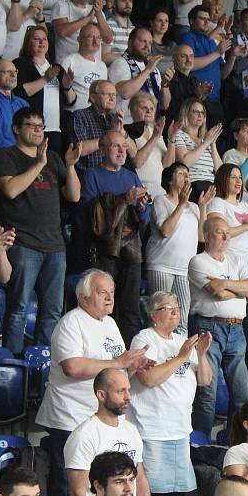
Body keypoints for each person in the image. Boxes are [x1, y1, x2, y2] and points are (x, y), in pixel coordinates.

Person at [36, 269, 153, 496]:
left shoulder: (109, 323)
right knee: (71, 489)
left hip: (98, 418)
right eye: (102, 293)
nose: (110, 297)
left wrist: (131, 368)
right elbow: (71, 366)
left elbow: (113, 373)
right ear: (84, 298)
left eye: (111, 292)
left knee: (100, 487)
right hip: (70, 417)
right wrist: (119, 361)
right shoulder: (72, 322)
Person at [0, 109, 78, 353]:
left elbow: (73, 195)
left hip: (55, 245)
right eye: (30, 125)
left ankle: (42, 367)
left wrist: (70, 166)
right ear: (15, 129)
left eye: (40, 126)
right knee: (18, 306)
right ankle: (15, 363)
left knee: (52, 311)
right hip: (23, 242)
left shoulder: (53, 157)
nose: (36, 130)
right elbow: (10, 189)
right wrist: (38, 164)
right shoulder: (6, 155)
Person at [127, 292, 213, 496]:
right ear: (153, 314)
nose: (175, 312)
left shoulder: (183, 340)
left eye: (177, 307)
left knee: (178, 495)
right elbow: (148, 379)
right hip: (153, 432)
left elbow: (205, 380)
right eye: (168, 308)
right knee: (154, 493)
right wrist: (182, 356)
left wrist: (200, 354)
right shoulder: (144, 339)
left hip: (180, 432)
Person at [79, 130, 151, 344]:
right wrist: (123, 200)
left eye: (124, 146)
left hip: (131, 250)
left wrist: (140, 206)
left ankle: (128, 356)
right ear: (102, 150)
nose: (122, 150)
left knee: (130, 308)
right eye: (115, 146)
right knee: (103, 305)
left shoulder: (130, 176)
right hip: (105, 252)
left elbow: (145, 218)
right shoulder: (92, 175)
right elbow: (89, 216)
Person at [188, 215, 248, 435]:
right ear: (207, 236)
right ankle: (202, 445)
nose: (227, 236)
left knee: (241, 393)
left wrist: (225, 283)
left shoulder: (236, 260)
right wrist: (239, 291)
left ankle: (235, 445)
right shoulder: (199, 261)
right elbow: (216, 293)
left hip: (237, 329)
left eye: (228, 232)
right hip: (208, 328)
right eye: (220, 232)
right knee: (207, 393)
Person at [64, 368, 151, 496]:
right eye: (121, 391)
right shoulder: (83, 436)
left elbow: (140, 481)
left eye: (128, 389)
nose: (128, 396)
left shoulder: (131, 430)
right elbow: (79, 493)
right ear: (101, 395)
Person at [146, 163, 213, 332]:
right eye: (181, 173)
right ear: (170, 180)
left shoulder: (195, 207)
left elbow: (202, 237)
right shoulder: (161, 200)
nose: (186, 177)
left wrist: (203, 206)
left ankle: (180, 358)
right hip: (161, 265)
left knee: (181, 321)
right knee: (160, 318)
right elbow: (166, 231)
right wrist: (181, 204)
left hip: (184, 269)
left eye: (187, 174)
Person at [13, 26, 76, 155]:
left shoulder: (56, 67)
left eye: (44, 39)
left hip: (55, 130)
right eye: (36, 39)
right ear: (28, 43)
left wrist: (67, 86)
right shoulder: (20, 64)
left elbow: (71, 101)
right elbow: (20, 93)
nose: (42, 42)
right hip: (32, 129)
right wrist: (45, 79)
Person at [173, 99, 223, 197]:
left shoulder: (206, 139)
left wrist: (212, 144)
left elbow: (221, 172)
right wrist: (205, 143)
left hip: (212, 186)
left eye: (202, 112)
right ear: (186, 114)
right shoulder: (179, 134)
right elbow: (184, 163)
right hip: (193, 185)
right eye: (195, 112)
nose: (200, 115)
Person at [59, 24, 108, 114]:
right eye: (90, 37)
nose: (95, 41)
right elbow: (61, 93)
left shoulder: (102, 66)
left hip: (96, 117)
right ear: (79, 39)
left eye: (98, 37)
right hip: (74, 114)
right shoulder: (69, 61)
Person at [0, 59, 29, 160]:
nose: (13, 75)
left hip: (25, 159)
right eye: (7, 72)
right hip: (0, 162)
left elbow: (31, 133)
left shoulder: (23, 103)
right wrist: (23, 153)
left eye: (15, 71)